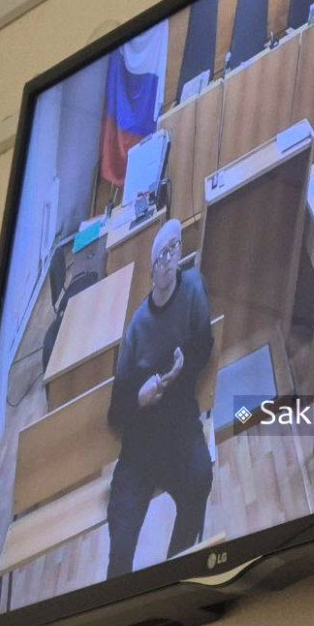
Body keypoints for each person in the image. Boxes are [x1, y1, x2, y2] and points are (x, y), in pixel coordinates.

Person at [106, 219, 213, 578]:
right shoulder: (138, 326)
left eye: (173, 249)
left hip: (180, 425)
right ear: (151, 269)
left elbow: (205, 347)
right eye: (160, 255)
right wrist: (140, 397)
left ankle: (174, 576)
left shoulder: (193, 288)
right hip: (141, 444)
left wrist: (183, 367)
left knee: (200, 480)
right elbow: (116, 412)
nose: (168, 260)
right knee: (121, 541)